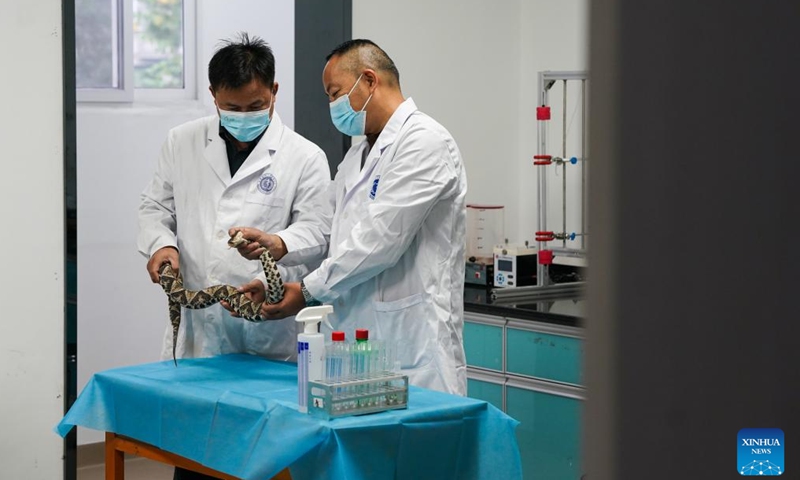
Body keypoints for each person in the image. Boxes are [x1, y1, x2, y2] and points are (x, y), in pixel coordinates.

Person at [229, 39, 468, 396]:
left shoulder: (424, 143)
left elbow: (378, 242)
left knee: (413, 447)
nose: (332, 105)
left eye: (335, 93)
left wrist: (306, 291)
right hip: (359, 345)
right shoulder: (358, 156)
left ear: (370, 80)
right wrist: (279, 246)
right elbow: (330, 228)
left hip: (412, 345)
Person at [137, 33, 330, 364]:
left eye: (255, 106)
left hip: (265, 334)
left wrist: (278, 242)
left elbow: (319, 231)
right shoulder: (181, 142)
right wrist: (161, 245)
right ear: (213, 95)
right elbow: (155, 207)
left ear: (274, 92)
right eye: (232, 108)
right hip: (197, 331)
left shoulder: (305, 157)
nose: (244, 116)